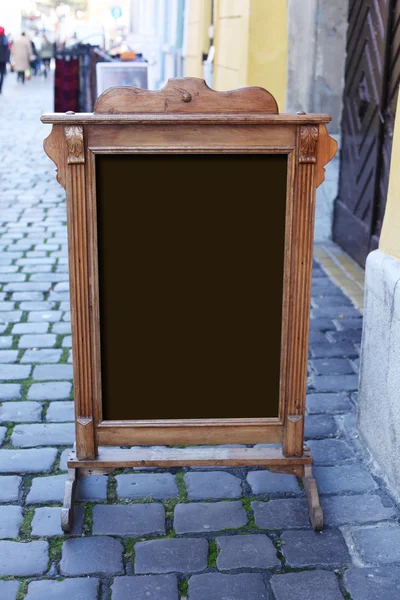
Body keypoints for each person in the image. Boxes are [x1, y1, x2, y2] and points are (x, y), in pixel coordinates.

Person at [0, 26, 10, 94]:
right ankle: (0, 88)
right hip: (3, 60)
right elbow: (8, 51)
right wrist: (7, 59)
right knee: (2, 74)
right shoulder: (5, 39)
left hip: (3, 60)